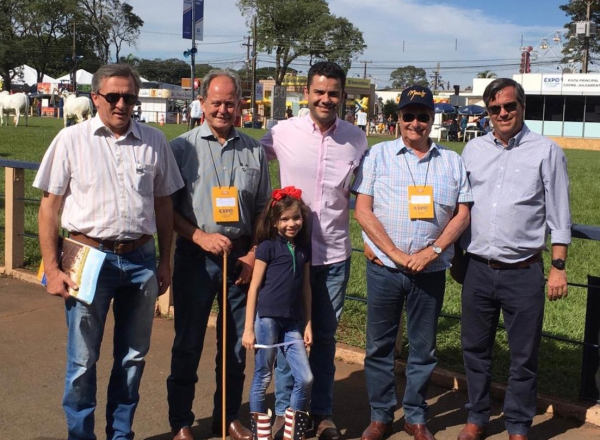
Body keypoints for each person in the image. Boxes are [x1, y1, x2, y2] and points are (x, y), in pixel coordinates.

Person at [34, 63, 184, 440]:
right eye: (112, 96)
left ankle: (121, 435)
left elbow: (164, 205)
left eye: (128, 97)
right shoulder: (71, 140)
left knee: (133, 359)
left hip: (140, 260)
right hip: (87, 258)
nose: (121, 104)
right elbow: (49, 206)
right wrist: (52, 268)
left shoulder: (155, 141)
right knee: (83, 362)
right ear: (96, 97)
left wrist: (165, 261)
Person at [352, 85, 472, 440]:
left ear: (432, 120)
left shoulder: (451, 160)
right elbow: (363, 209)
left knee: (424, 349)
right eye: (409, 115)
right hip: (385, 270)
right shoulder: (378, 156)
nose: (415, 122)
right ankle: (381, 415)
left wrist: (432, 252)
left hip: (430, 272)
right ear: (398, 119)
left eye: (422, 115)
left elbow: (463, 214)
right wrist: (395, 254)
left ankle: (415, 415)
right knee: (379, 347)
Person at [454, 78, 571, 440]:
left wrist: (558, 267)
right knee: (474, 350)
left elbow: (559, 214)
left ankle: (518, 425)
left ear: (522, 107)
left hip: (524, 272)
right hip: (477, 269)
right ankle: (477, 417)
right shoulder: (472, 150)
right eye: (495, 108)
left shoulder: (546, 151)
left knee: (523, 356)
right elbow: (459, 206)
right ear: (487, 112)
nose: (503, 113)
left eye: (509, 106)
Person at [261, 60, 367, 440]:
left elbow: (366, 195)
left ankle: (321, 414)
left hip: (335, 257)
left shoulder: (357, 139)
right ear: (306, 93)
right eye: (319, 92)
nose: (326, 98)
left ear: (342, 95)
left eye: (333, 92)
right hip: (291, 258)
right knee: (290, 339)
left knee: (323, 339)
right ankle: (289, 413)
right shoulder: (281, 132)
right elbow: (252, 164)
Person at [167, 69, 271, 440]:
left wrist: (254, 253)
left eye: (230, 103)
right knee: (188, 343)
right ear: (202, 103)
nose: (223, 109)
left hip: (241, 260)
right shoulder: (180, 148)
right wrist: (198, 236)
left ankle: (227, 417)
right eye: (216, 103)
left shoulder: (255, 150)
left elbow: (263, 211)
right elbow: (168, 210)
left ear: (240, 105)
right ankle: (180, 422)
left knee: (235, 350)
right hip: (196, 258)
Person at [243, 187, 314, 440]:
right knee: (263, 374)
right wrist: (249, 328)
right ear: (274, 222)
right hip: (267, 319)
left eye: (296, 218)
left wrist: (307, 324)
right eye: (284, 219)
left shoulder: (304, 249)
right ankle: (260, 434)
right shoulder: (267, 248)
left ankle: (292, 433)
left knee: (305, 377)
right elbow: (254, 288)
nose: (291, 223)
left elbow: (306, 287)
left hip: (293, 322)